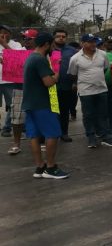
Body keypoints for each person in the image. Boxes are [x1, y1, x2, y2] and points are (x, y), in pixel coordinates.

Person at [21, 32, 69, 179]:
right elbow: (48, 82)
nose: (53, 47)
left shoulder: (31, 57)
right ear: (47, 44)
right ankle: (51, 167)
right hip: (42, 104)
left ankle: (40, 167)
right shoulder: (40, 60)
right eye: (52, 44)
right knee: (53, 134)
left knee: (34, 135)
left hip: (30, 103)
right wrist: (57, 74)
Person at [68, 34, 112, 148]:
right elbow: (73, 74)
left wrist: (96, 79)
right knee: (88, 115)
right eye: (89, 42)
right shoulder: (75, 58)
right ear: (82, 43)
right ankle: (91, 137)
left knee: (103, 114)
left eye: (94, 41)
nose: (93, 44)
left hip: (101, 89)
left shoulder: (103, 54)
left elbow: (105, 69)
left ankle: (105, 136)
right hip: (86, 92)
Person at [52, 28, 78, 141]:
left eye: (63, 36)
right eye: (58, 36)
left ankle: (64, 133)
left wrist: (75, 82)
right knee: (53, 111)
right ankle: (53, 133)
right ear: (53, 37)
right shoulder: (48, 49)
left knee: (64, 111)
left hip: (67, 86)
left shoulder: (72, 50)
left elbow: (77, 67)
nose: (61, 38)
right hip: (51, 86)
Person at [0, 24, 23, 137]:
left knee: (13, 106)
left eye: (5, 32)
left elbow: (18, 59)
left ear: (10, 33)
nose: (3, 34)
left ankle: (7, 128)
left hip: (10, 80)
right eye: (1, 32)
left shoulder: (16, 44)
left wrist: (4, 45)